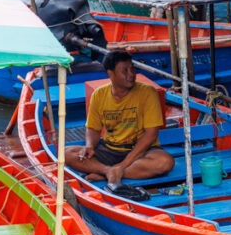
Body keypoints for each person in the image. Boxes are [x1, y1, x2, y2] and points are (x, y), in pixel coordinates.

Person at [66, 51, 174, 198]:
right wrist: (90, 146)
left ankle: (108, 173)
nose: (131, 74)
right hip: (110, 149)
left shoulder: (148, 92)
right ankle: (108, 171)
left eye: (132, 69)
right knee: (66, 153)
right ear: (111, 74)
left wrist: (123, 166)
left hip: (141, 152)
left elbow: (150, 135)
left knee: (164, 162)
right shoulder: (99, 94)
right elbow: (93, 128)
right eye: (125, 70)